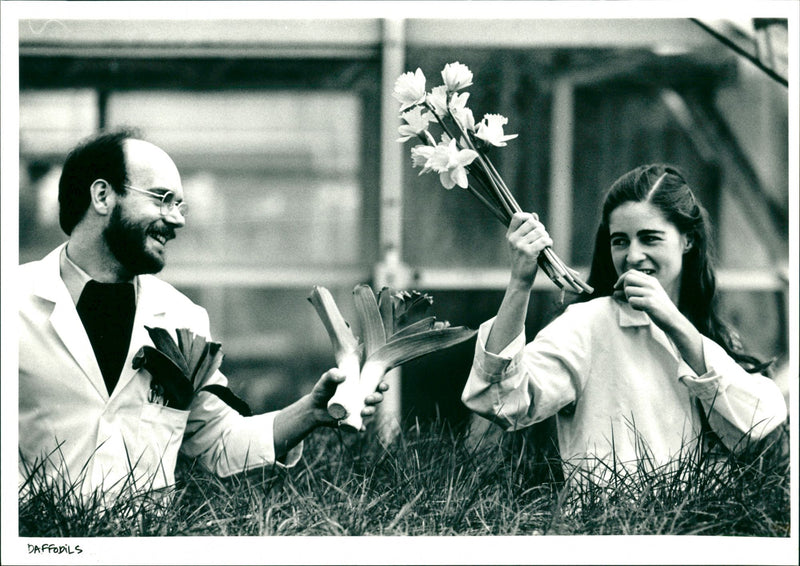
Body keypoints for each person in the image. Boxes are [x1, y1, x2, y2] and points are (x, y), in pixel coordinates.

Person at [18, 129, 387, 501]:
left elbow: (219, 441)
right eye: (163, 200)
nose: (177, 220)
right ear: (102, 196)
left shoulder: (182, 318)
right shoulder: (13, 304)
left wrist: (310, 412)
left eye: (181, 206)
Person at [462, 163, 787, 481]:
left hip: (701, 528)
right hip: (611, 527)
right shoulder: (588, 324)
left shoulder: (708, 333)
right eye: (620, 240)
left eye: (650, 238)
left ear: (687, 240)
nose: (632, 256)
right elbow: (500, 400)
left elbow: (762, 420)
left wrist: (674, 322)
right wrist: (520, 282)